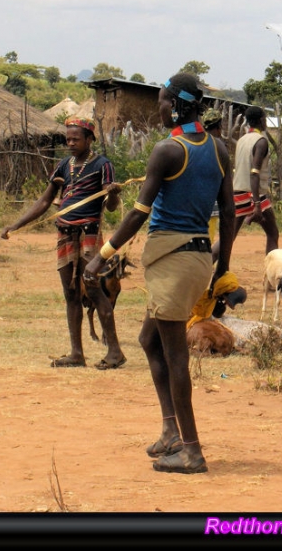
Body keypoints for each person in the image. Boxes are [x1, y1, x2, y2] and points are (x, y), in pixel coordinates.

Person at [83, 73, 236, 474]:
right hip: (199, 258)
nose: (160, 107)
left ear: (178, 105)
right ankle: (171, 430)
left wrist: (102, 255)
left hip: (173, 260)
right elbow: (231, 213)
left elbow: (138, 213)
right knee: (150, 339)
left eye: (164, 101)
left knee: (175, 356)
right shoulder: (219, 150)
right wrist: (223, 266)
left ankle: (191, 450)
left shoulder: (168, 150)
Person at [0, 117, 124, 369]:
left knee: (93, 290)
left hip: (89, 234)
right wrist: (15, 225)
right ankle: (76, 353)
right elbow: (44, 202)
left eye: (75, 139)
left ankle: (115, 352)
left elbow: (110, 207)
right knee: (70, 294)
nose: (70, 143)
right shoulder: (63, 166)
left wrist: (112, 194)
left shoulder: (103, 165)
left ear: (89, 139)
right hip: (65, 235)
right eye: (68, 139)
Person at [211, 105, 279, 262]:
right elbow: (254, 173)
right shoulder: (261, 141)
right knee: (273, 234)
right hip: (255, 194)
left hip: (238, 193)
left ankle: (207, 264)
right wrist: (256, 203)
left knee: (228, 238)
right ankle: (273, 272)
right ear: (262, 120)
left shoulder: (242, 140)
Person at [202, 107, 224, 245]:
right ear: (219, 126)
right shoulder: (219, 146)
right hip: (212, 199)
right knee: (208, 239)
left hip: (195, 202)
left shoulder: (196, 142)